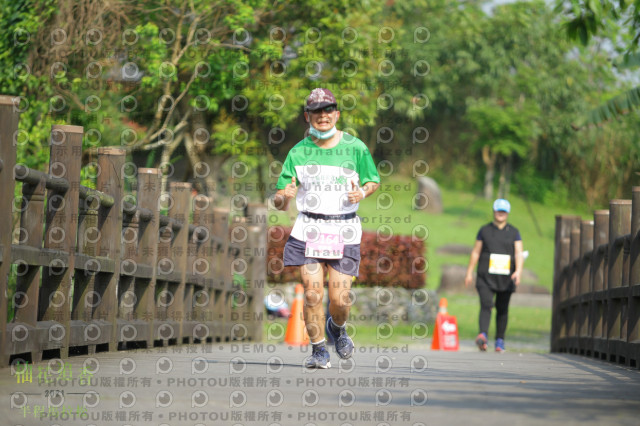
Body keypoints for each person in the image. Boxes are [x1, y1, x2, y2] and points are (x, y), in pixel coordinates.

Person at [273, 88, 380, 368]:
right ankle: (319, 350)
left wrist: (363, 194)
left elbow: (373, 181)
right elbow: (280, 200)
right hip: (308, 228)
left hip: (344, 229)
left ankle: (337, 328)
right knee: (311, 293)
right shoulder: (298, 152)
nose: (323, 116)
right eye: (317, 111)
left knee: (340, 299)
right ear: (307, 116)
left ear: (337, 114)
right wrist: (284, 196)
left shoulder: (356, 147)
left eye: (328, 110)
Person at [464, 198, 523, 353]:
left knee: (502, 309)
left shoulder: (514, 232)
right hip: (485, 277)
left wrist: (519, 271)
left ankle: (500, 340)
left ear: (508, 213)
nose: (500, 214)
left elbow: (519, 253)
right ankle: (482, 335)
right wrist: (470, 271)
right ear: (494, 211)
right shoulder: (484, 230)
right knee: (486, 304)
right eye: (498, 210)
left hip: (506, 278)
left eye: (503, 211)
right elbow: (476, 251)